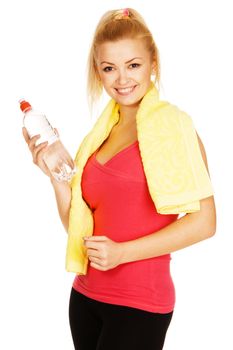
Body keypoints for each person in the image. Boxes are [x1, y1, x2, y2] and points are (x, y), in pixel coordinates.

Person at [22, 7, 216, 350]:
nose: (122, 79)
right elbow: (80, 228)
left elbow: (204, 223)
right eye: (109, 68)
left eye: (133, 65)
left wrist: (123, 253)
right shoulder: (99, 137)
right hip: (85, 297)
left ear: (152, 63)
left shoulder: (174, 128)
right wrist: (55, 178)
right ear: (98, 72)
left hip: (139, 304)